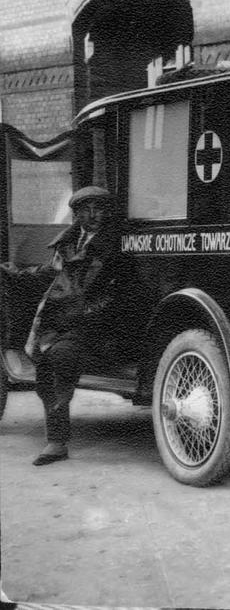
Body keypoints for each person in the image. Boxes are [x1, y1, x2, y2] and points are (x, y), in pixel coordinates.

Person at [11, 187, 133, 467]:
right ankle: (56, 436)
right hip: (65, 323)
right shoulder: (69, 243)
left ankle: (57, 442)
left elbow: (118, 295)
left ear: (107, 212)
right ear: (76, 214)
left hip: (100, 327)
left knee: (59, 356)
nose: (92, 216)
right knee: (45, 360)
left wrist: (83, 315)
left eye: (98, 209)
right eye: (84, 210)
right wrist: (12, 272)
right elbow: (48, 275)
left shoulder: (116, 247)